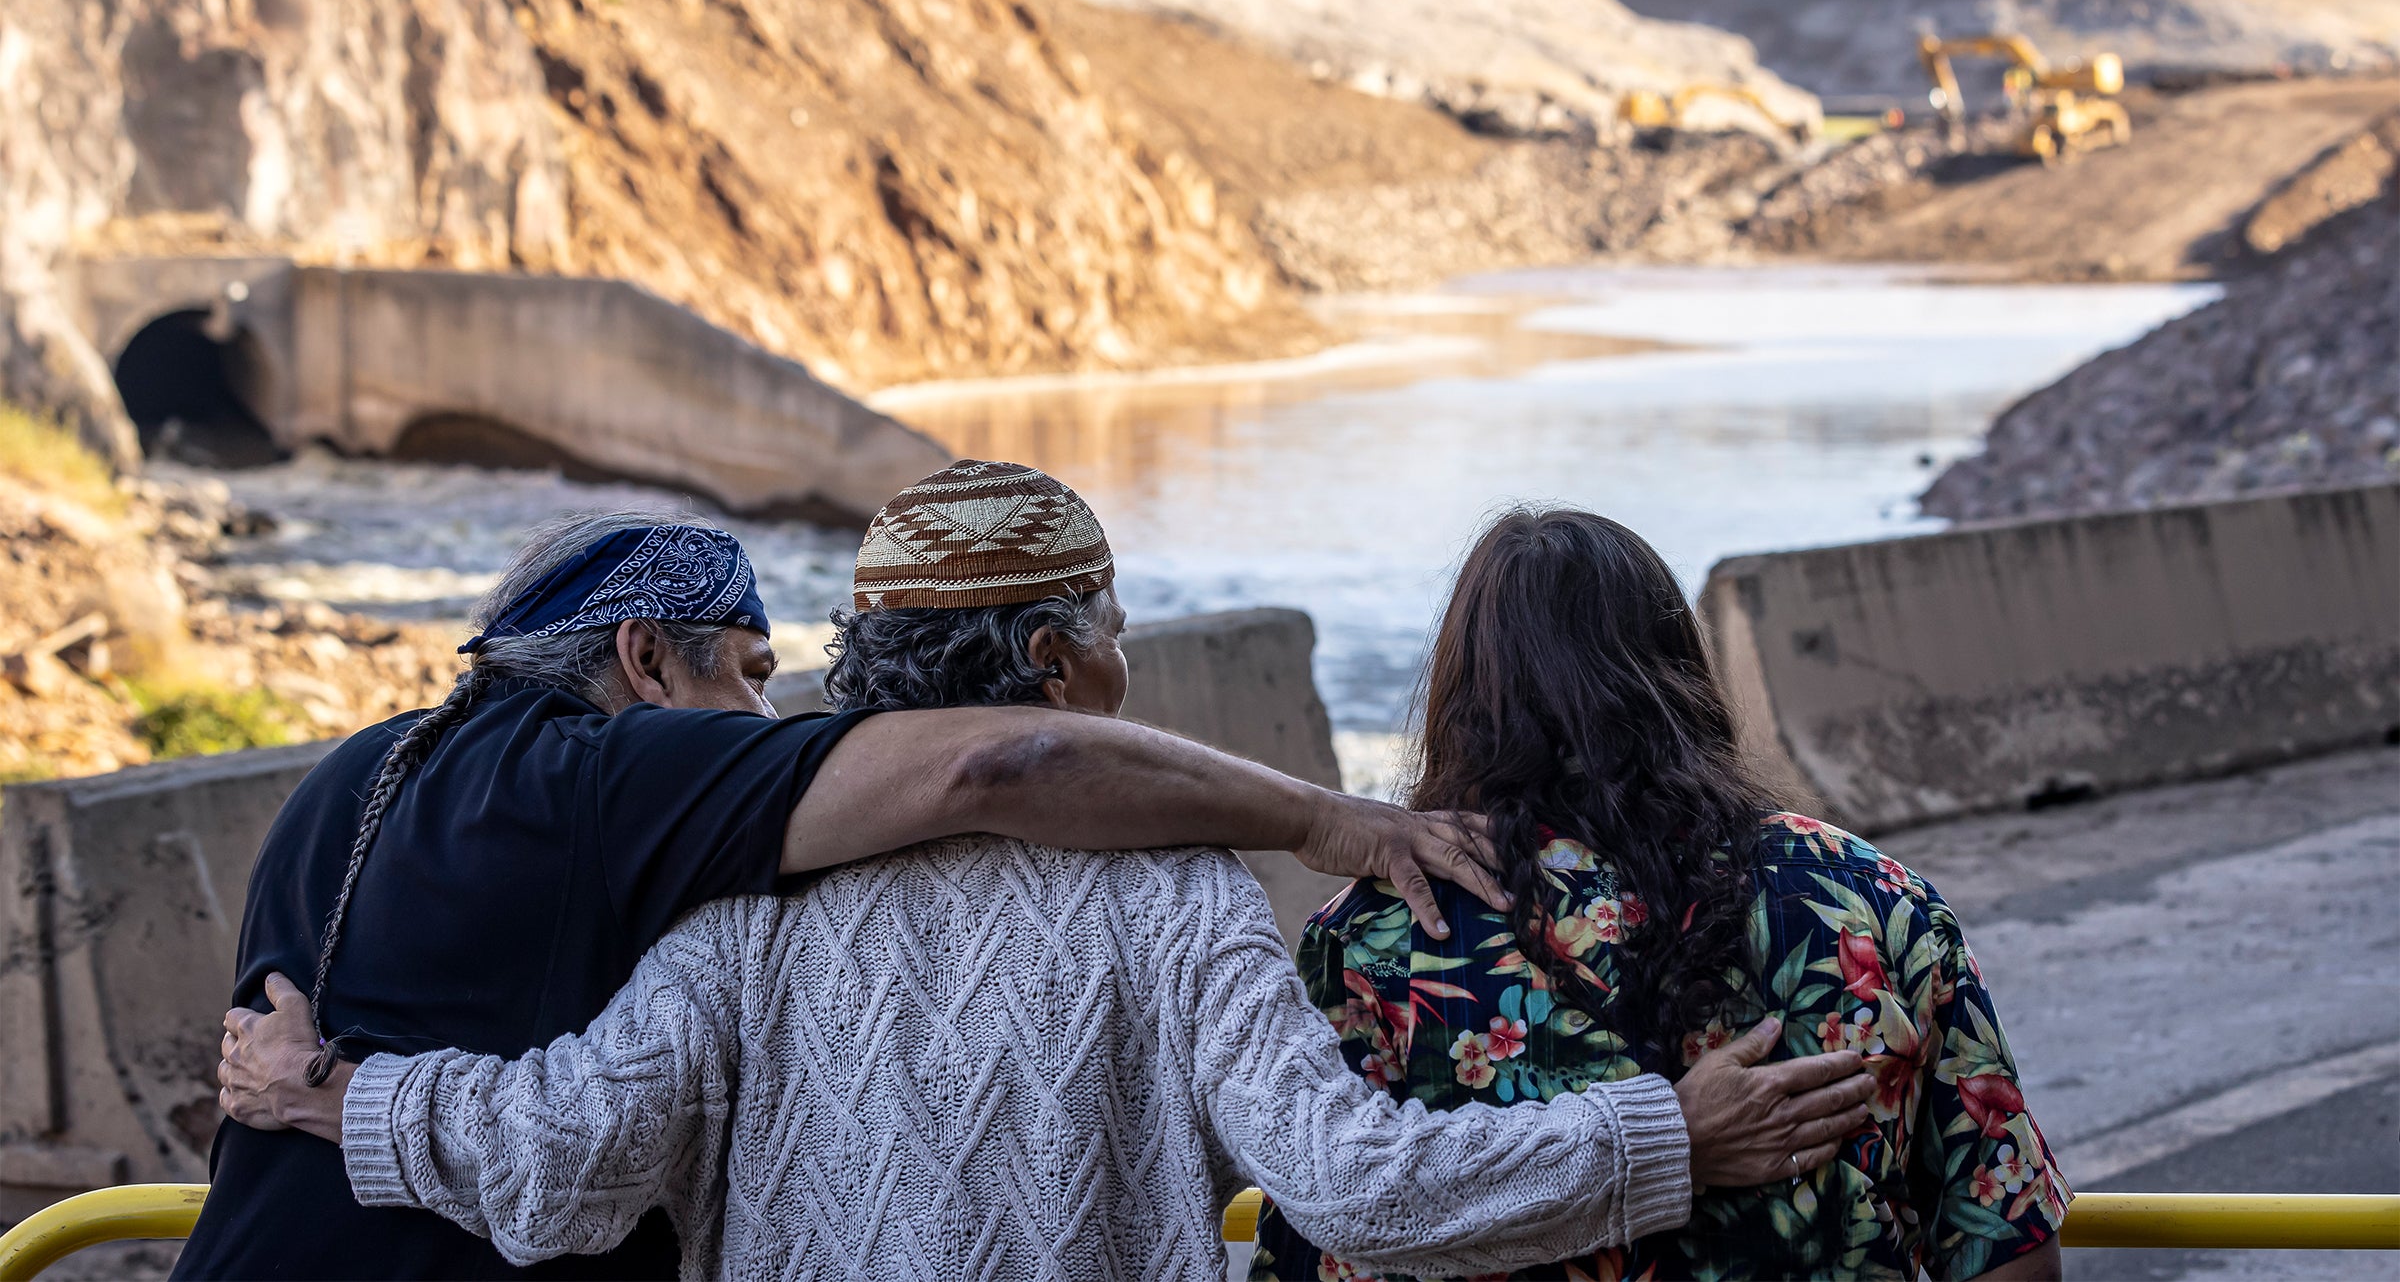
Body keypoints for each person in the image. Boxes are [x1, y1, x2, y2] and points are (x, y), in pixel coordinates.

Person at [216, 461, 1876, 1280]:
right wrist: (1667, 1130)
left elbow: (568, 1158)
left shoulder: (738, 904)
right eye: (1114, 636)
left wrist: (336, 1100)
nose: (1127, 672)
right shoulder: (1173, 896)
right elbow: (1360, 1185)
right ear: (1050, 661)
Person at [1251, 508, 2070, 1282]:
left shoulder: (1374, 941)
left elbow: (1324, 1240)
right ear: (1680, 672)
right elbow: (2003, 1241)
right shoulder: (1876, 900)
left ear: (1464, 698)